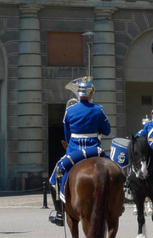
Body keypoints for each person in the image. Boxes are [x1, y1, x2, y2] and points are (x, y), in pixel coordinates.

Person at [48, 77, 111, 226]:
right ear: (91, 94)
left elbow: (67, 135)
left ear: (79, 94)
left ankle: (59, 214)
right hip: (95, 150)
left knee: (55, 177)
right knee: (116, 171)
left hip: (74, 151)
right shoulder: (98, 109)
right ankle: (118, 204)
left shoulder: (70, 111)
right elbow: (107, 131)